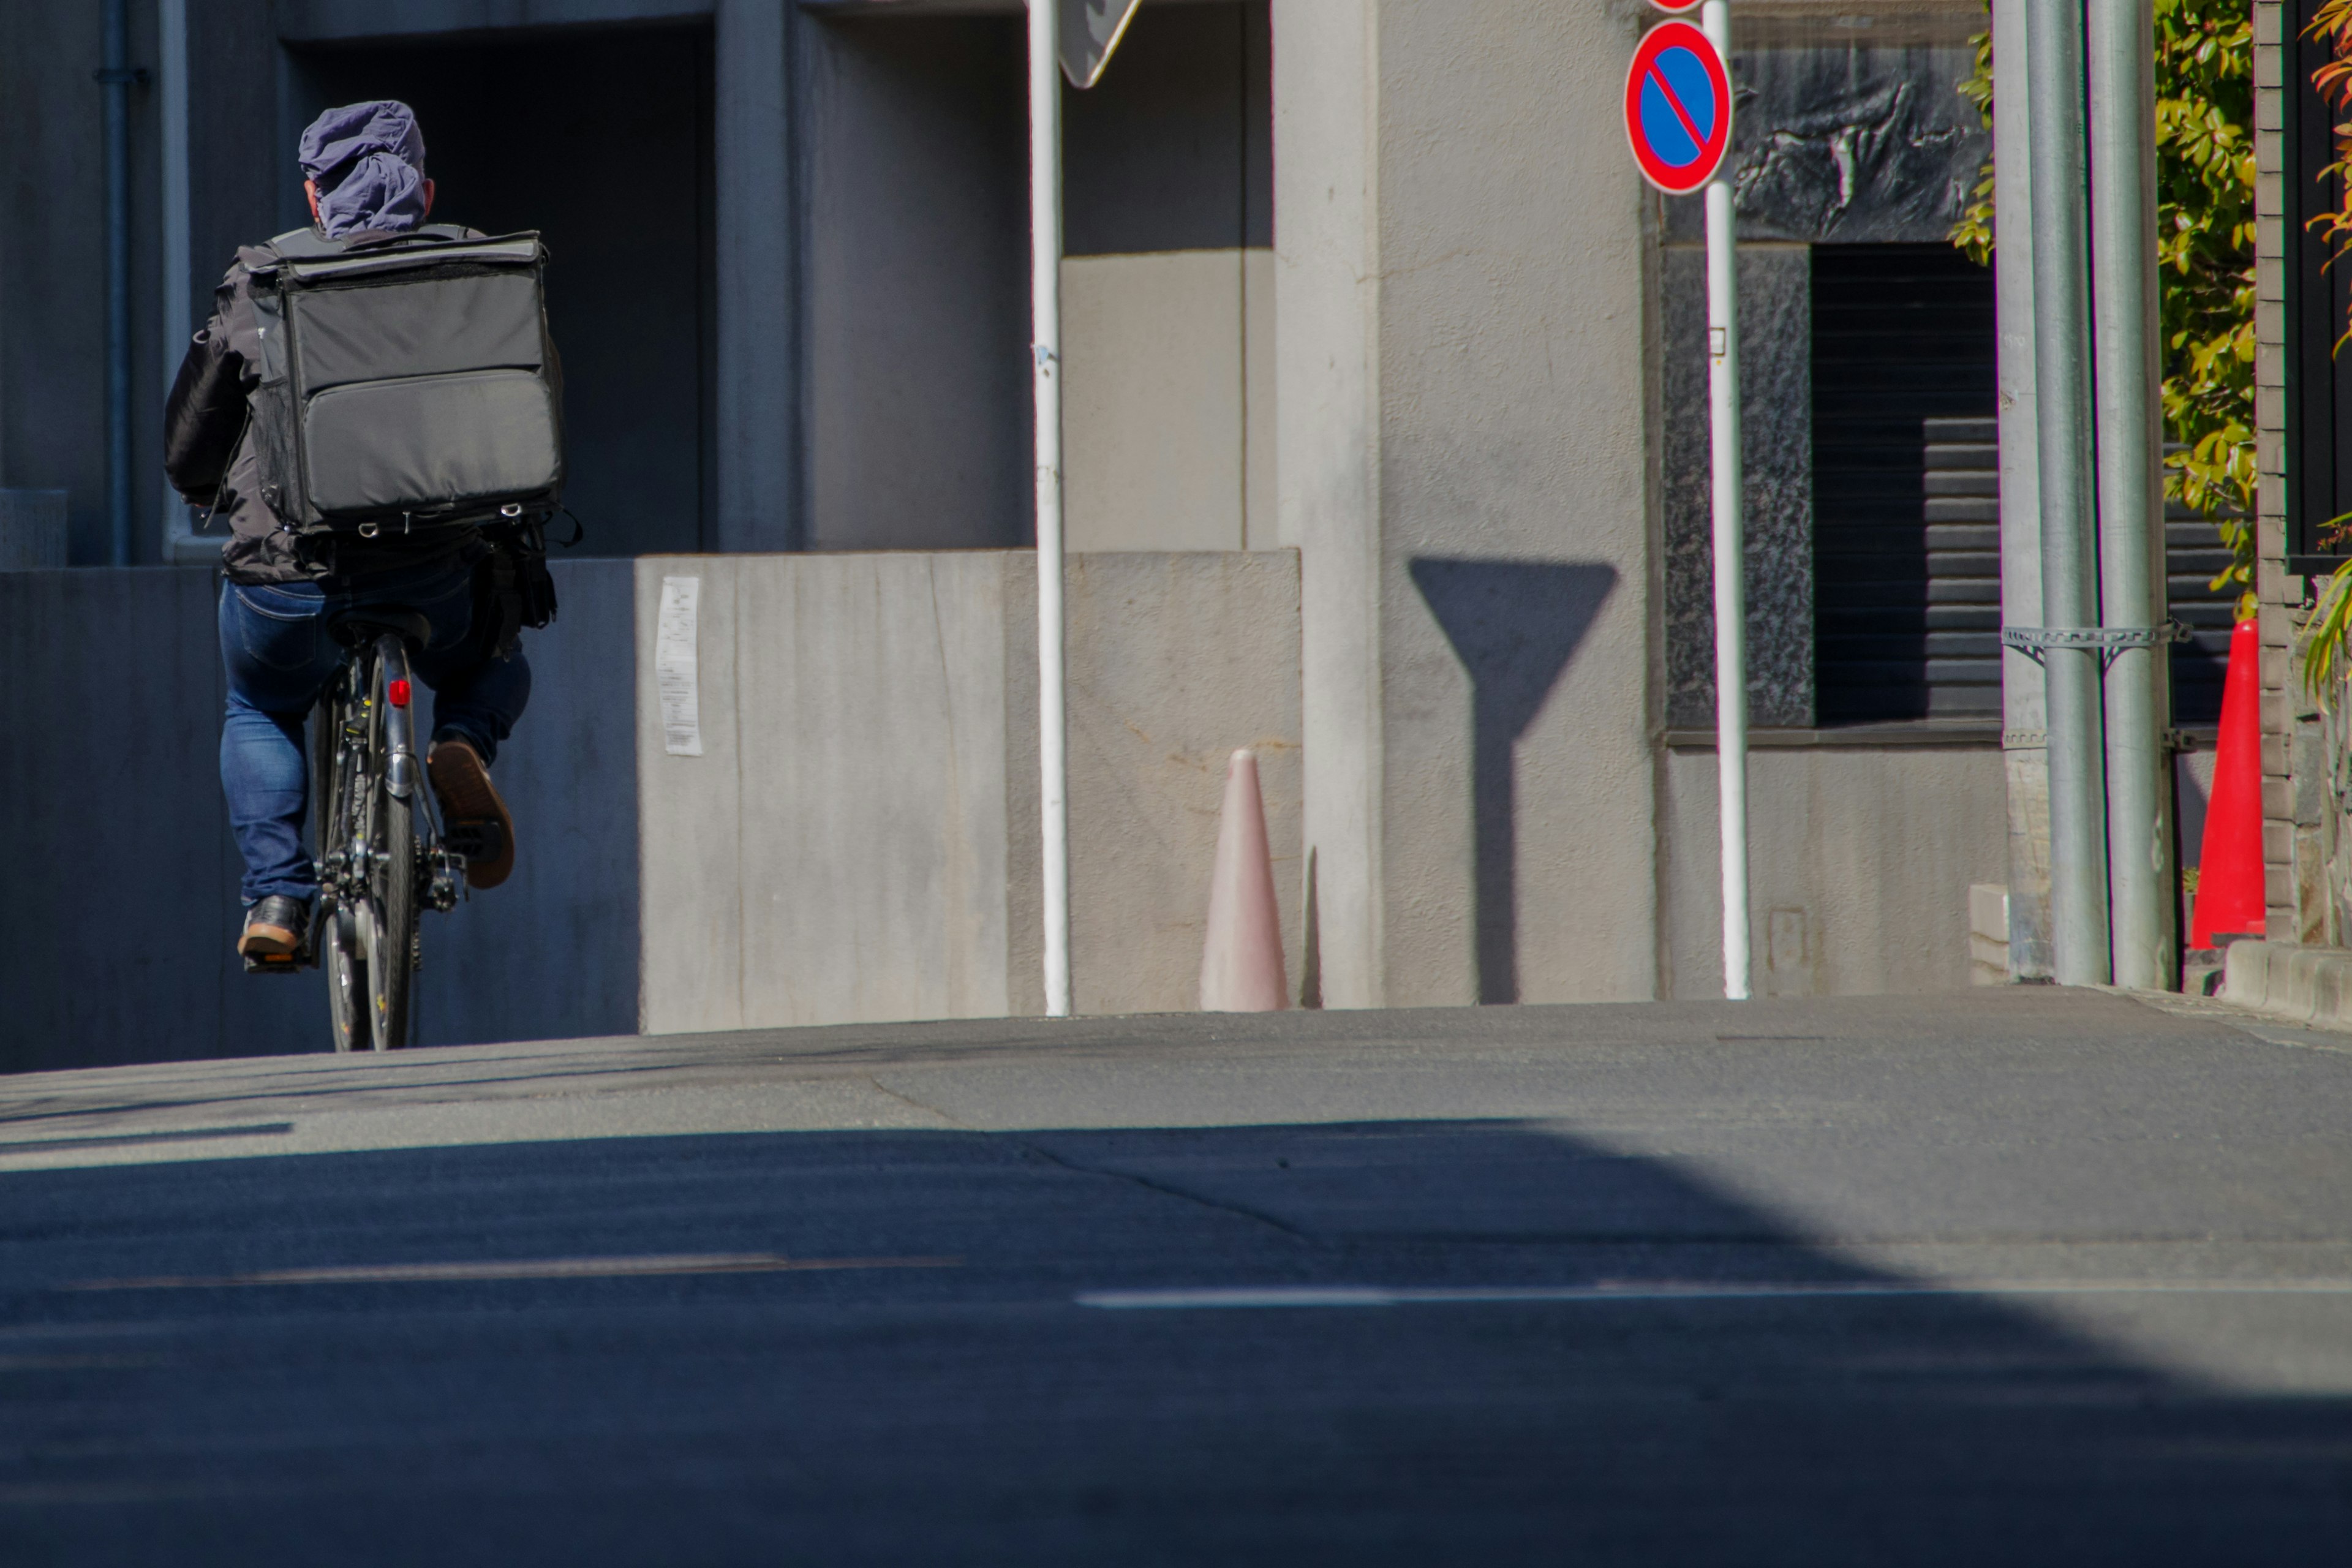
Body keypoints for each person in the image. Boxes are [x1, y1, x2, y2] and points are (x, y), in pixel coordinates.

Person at [164, 101, 529, 963]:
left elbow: (188, 454)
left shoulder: (261, 281)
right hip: (436, 573)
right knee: (497, 656)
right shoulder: (473, 269)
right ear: (425, 190)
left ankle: (278, 899)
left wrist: (215, 486)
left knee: (257, 705)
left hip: (290, 578)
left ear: (315, 196)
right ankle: (457, 741)